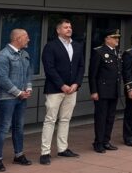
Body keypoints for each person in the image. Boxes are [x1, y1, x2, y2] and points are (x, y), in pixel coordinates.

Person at [40, 19, 84, 165]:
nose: (69, 29)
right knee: (50, 120)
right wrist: (62, 85)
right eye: (65, 27)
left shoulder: (77, 46)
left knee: (65, 119)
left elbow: (80, 67)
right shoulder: (50, 46)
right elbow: (49, 68)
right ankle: (45, 152)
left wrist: (76, 84)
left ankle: (62, 148)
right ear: (58, 30)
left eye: (70, 27)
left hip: (72, 89)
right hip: (55, 89)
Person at [0, 29, 34, 171]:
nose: (29, 40)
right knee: (4, 127)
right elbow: (2, 79)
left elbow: (29, 73)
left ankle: (19, 155)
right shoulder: (3, 56)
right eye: (26, 37)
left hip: (21, 97)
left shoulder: (25, 54)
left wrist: (28, 88)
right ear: (17, 38)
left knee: (19, 127)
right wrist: (18, 92)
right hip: (6, 98)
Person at [89, 29, 122, 153]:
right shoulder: (99, 52)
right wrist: (94, 91)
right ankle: (98, 143)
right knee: (101, 118)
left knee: (110, 117)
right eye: (114, 38)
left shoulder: (116, 52)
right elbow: (93, 74)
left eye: (118, 38)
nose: (117, 40)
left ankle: (106, 141)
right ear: (107, 39)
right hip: (102, 91)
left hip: (113, 90)